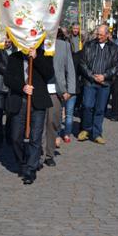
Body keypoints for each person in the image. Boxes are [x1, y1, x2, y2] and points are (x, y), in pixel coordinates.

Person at [5, 45, 53, 185]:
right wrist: (22, 87)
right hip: (19, 101)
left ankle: (31, 170)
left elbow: (49, 74)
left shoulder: (45, 55)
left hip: (37, 101)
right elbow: (7, 79)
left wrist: (36, 59)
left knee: (35, 137)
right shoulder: (14, 57)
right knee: (15, 137)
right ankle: (23, 162)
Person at [77, 24, 118, 145]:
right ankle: (86, 129)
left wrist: (104, 76)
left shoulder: (114, 48)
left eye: (101, 34)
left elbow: (116, 66)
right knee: (87, 106)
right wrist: (92, 76)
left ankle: (96, 133)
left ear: (107, 35)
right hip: (90, 81)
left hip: (105, 83)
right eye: (97, 34)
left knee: (100, 109)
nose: (99, 36)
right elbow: (82, 63)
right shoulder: (89, 45)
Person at [42, 28, 76, 167]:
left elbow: (70, 69)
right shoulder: (37, 44)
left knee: (53, 122)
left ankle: (49, 154)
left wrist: (70, 90)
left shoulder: (64, 45)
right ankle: (38, 152)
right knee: (38, 123)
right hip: (40, 89)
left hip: (57, 91)